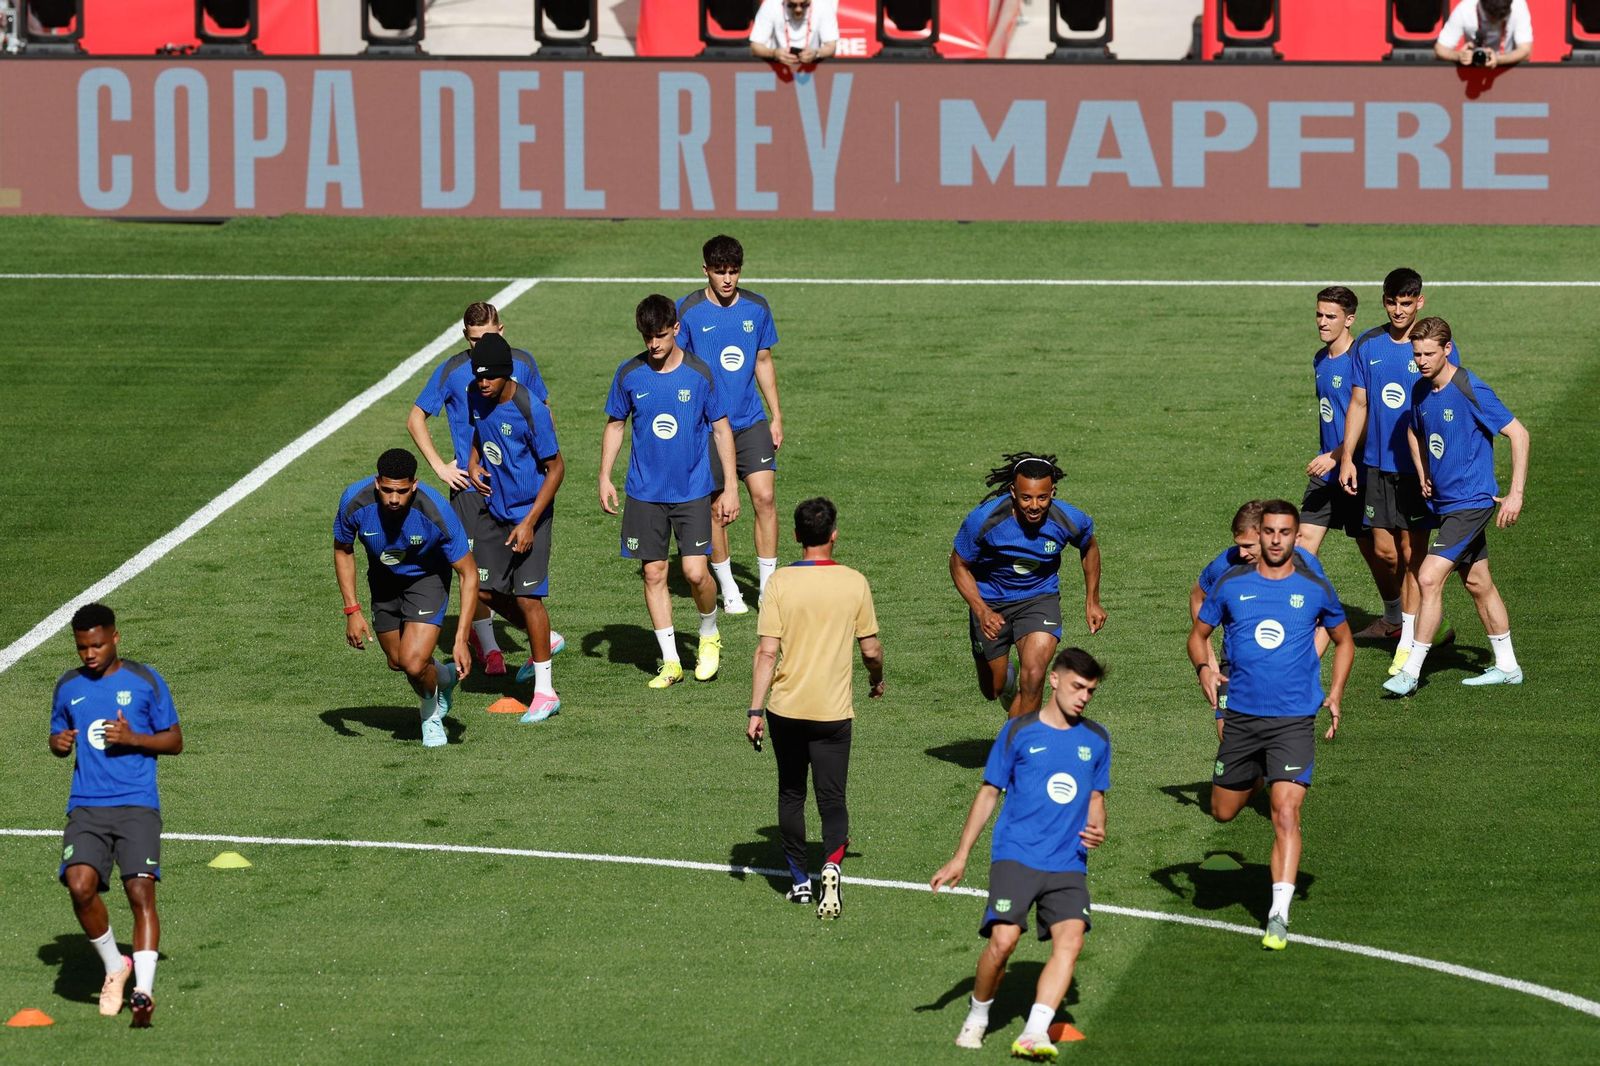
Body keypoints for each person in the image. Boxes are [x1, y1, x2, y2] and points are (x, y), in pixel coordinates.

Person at [929, 647, 1111, 1060]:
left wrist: (1098, 822)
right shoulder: (1017, 732)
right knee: (1003, 941)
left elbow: (1097, 794)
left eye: (1091, 691)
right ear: (1054, 680)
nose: (1083, 697)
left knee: (1071, 939)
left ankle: (1034, 1031)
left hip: (1068, 862)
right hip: (1017, 854)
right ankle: (978, 1015)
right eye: (1078, 687)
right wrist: (960, 857)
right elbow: (989, 792)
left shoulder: (1096, 739)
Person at [1187, 500, 1353, 951]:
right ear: (1258, 535)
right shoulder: (1231, 582)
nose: (1276, 540)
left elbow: (1343, 639)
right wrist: (1204, 668)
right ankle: (1259, 772)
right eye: (1270, 533)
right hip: (1241, 716)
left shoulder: (1313, 584)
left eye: (1286, 533)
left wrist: (1332, 692)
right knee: (1222, 811)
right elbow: (1199, 633)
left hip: (1294, 718)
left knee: (1285, 812)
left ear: (1295, 536)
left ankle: (1278, 914)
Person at [407, 301, 564, 675]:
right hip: (469, 487)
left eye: (488, 338)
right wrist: (443, 468)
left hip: (516, 487)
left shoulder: (521, 365)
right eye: (474, 339)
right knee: (473, 573)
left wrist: (540, 459)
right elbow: (417, 418)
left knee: (511, 584)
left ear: (502, 331)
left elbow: (541, 409)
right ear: (465, 336)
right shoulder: (454, 371)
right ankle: (492, 649)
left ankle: (533, 640)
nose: (481, 347)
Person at [747, 498, 883, 918]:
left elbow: (767, 653)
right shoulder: (855, 582)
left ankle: (800, 883)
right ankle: (830, 864)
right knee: (832, 797)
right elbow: (872, 649)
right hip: (833, 713)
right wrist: (876, 678)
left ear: (796, 536)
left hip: (785, 710)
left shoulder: (780, 583)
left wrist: (754, 711)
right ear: (834, 535)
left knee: (791, 792)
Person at [49, 603, 183, 1028]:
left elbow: (175, 741)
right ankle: (115, 967)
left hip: (136, 803)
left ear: (115, 638)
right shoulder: (68, 686)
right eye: (82, 647)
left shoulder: (144, 681)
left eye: (97, 645)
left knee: (140, 893)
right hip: (86, 805)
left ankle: (143, 989)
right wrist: (59, 743)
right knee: (79, 885)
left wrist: (134, 737)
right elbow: (55, 734)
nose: (89, 654)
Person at [600, 294, 742, 688]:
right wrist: (604, 475)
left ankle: (709, 633)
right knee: (653, 571)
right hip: (644, 492)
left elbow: (722, 428)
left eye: (661, 336)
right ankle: (671, 661)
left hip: (693, 489)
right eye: (647, 337)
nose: (654, 344)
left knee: (696, 573)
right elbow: (615, 424)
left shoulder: (700, 373)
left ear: (676, 329)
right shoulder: (630, 374)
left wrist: (730, 486)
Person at [1384, 317, 1528, 695]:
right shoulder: (1420, 391)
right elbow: (1413, 429)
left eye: (1429, 353)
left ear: (1447, 349)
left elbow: (1519, 433)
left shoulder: (1468, 387)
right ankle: (1509, 667)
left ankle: (1410, 672)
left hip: (1472, 502)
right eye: (1416, 354)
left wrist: (1515, 494)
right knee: (1479, 583)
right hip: (1447, 505)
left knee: (1429, 577)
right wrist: (1422, 470)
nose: (1422, 361)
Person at [1338, 267, 1459, 677]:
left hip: (1416, 471)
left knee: (1413, 555)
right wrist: (1349, 456)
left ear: (1419, 301)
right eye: (1392, 302)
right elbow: (1359, 403)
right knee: (1387, 551)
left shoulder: (1435, 348)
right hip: (1376, 466)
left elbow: (1449, 405)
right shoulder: (1369, 344)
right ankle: (1423, 623)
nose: (1399, 310)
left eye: (1407, 303)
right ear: (1384, 300)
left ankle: (1407, 642)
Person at [334, 448, 478, 747]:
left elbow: (469, 574)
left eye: (401, 491)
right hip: (384, 581)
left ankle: (430, 716)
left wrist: (461, 639)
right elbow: (343, 549)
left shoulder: (435, 511)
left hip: (427, 579)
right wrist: (352, 609)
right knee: (398, 661)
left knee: (413, 663)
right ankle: (446, 677)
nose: (394, 499)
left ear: (414, 484)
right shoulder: (354, 501)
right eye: (387, 490)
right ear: (377, 483)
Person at [951, 452, 1104, 719]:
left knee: (1034, 675)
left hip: (1038, 599)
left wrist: (1092, 599)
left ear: (1052, 492)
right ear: (1013, 492)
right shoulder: (984, 520)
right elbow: (957, 564)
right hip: (990, 603)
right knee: (993, 689)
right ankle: (1006, 678)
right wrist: (981, 610)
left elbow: (1089, 547)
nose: (1034, 505)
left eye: (1042, 497)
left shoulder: (1069, 518)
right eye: (1026, 497)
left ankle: (1017, 746)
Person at [677, 235, 784, 615]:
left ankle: (768, 587)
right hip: (706, 428)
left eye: (734, 272)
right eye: (720, 272)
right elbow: (679, 369)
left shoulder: (756, 308)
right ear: (704, 269)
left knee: (765, 498)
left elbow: (764, 361)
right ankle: (728, 587)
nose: (727, 280)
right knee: (717, 507)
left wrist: (776, 416)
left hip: (750, 421)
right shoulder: (687, 311)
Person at [466, 334, 566, 722]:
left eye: (489, 378)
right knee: (482, 589)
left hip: (530, 513)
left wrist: (529, 523)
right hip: (494, 510)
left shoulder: (530, 409)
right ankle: (546, 637)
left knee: (528, 599)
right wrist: (474, 464)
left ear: (506, 375)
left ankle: (545, 692)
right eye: (479, 377)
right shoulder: (478, 396)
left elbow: (557, 469)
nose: (483, 383)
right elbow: (478, 433)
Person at [1298, 286, 1402, 635]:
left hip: (1356, 472)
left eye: (1331, 317)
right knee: (1302, 545)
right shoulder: (1319, 359)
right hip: (1327, 474)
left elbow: (1370, 421)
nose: (1322, 322)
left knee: (1378, 553)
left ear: (1350, 319)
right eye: (1319, 315)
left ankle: (1399, 617)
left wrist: (1337, 455)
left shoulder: (1362, 359)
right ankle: (1298, 614)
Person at [1191, 500, 1331, 740]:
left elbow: (1329, 621)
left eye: (1249, 546)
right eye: (1239, 545)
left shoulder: (1304, 566)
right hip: (1235, 667)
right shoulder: (1227, 564)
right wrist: (1207, 659)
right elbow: (1198, 597)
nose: (1242, 553)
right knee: (1231, 741)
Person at [1435, 0, 1533, 68]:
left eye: (1501, 17)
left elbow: (1526, 51)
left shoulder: (1519, 5)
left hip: (1506, 70)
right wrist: (1459, 56)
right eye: (1491, 18)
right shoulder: (1465, 8)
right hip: (1472, 71)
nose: (1495, 23)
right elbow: (1440, 49)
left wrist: (1498, 60)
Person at [749, 0, 839, 68]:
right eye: (791, 5)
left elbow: (831, 47)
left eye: (804, 5)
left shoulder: (823, 5)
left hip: (812, 70)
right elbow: (755, 46)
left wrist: (816, 53)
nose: (798, 9)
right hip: (778, 69)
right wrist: (774, 53)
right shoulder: (771, 5)